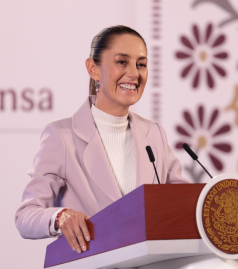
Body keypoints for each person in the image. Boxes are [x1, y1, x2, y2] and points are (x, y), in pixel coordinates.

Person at [15, 26, 191, 254]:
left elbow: (184, 203)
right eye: (121, 62)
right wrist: (61, 216)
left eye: (141, 64)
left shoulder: (154, 133)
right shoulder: (61, 136)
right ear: (93, 69)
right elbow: (25, 216)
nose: (134, 73)